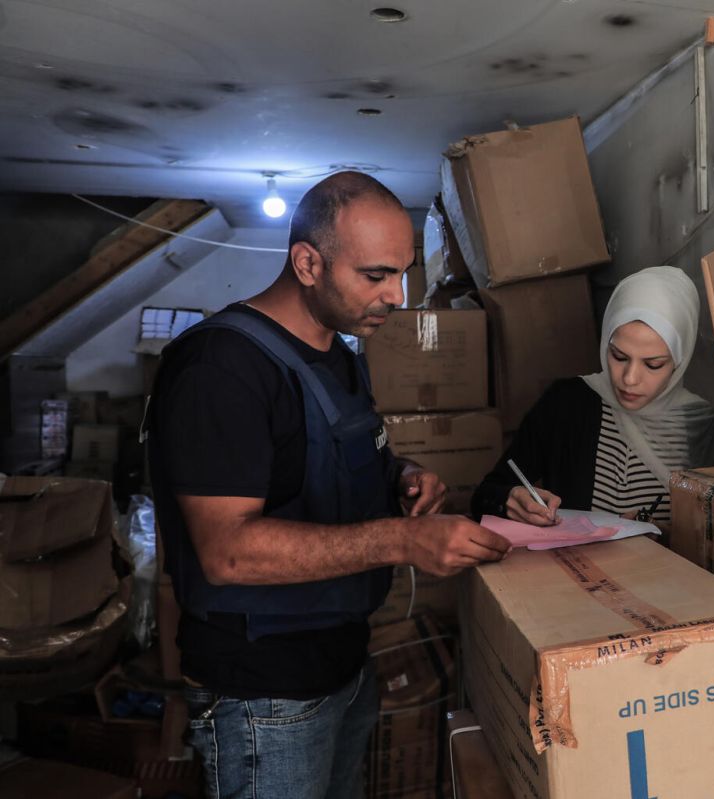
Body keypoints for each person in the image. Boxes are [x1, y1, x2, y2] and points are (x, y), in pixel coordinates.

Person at [146, 171, 510, 799]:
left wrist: (400, 475)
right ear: (308, 263)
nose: (397, 296)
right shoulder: (221, 370)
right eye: (375, 276)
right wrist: (403, 541)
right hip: (264, 692)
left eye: (403, 273)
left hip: (341, 664)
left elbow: (326, 455)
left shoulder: (339, 354)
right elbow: (227, 551)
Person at [471, 266, 714, 529]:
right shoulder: (567, 404)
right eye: (618, 356)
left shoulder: (703, 426)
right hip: (575, 568)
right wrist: (510, 500)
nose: (629, 378)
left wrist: (666, 537)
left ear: (679, 362)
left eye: (653, 365)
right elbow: (483, 497)